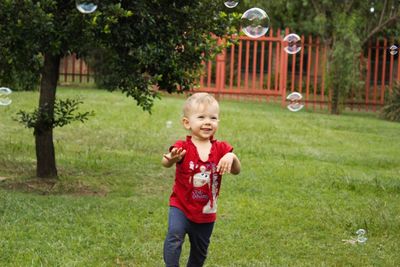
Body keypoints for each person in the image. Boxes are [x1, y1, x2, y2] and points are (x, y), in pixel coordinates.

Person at [161, 92, 241, 267]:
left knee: (199, 252)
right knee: (175, 234)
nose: (208, 122)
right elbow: (165, 162)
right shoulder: (182, 147)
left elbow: (236, 171)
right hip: (180, 205)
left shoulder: (221, 149)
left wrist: (232, 157)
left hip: (206, 211)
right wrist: (172, 158)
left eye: (213, 118)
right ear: (187, 123)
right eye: (201, 117)